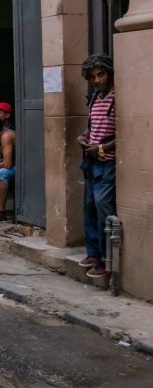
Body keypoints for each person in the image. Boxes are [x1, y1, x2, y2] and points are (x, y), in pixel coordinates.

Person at [76, 54, 116, 278]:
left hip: (107, 163)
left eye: (101, 74)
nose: (97, 80)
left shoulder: (116, 98)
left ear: (109, 73)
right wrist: (82, 139)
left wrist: (102, 149)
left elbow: (124, 134)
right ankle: (94, 253)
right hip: (91, 162)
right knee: (89, 206)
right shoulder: (93, 99)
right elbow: (90, 128)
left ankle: (107, 258)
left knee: (103, 206)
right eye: (92, 77)